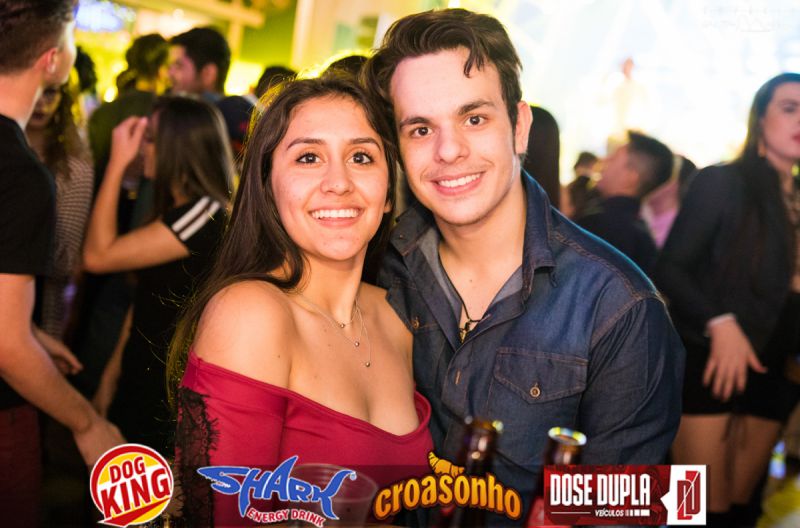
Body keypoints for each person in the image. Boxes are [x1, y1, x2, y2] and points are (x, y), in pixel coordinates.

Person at [363, 8, 684, 522]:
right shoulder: (379, 268)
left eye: (474, 118)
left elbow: (658, 499)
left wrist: (594, 512)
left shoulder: (620, 306)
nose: (449, 150)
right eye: (420, 129)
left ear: (519, 126)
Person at [167, 75, 432, 526]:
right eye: (309, 157)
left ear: (389, 191)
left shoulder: (395, 316)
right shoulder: (251, 314)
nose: (338, 183)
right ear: (268, 186)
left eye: (361, 157)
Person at [654, 72, 800, 528]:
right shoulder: (724, 181)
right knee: (694, 512)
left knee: (742, 510)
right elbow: (670, 267)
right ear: (760, 118)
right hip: (712, 356)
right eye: (790, 108)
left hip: (776, 366)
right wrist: (719, 321)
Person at [0, 1, 123, 524]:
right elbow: (6, 347)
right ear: (51, 60)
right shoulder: (21, 172)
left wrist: (27, 326)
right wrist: (87, 423)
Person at [85, 96, 233, 456]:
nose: (141, 147)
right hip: (141, 376)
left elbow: (97, 257)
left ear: (177, 148)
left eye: (150, 138)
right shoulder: (180, 210)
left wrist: (117, 164)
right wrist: (111, 374)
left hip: (164, 393)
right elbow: (145, 301)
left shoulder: (205, 213)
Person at [25, 75, 94, 339]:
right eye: (34, 90)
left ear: (64, 100)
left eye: (50, 93)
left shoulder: (73, 167)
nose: (40, 102)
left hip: (39, 306)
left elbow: (64, 259)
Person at [575, 130, 673, 274]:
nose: (604, 160)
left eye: (613, 158)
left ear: (630, 177)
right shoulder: (645, 238)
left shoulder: (600, 225)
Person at [169, 26, 254, 156]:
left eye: (178, 66)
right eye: (170, 66)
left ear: (208, 73)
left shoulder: (223, 120)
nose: (169, 73)